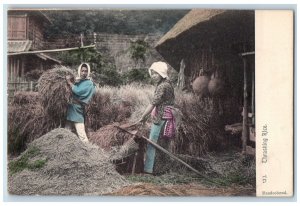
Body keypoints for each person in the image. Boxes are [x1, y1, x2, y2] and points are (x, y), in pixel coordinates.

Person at [136, 61, 176, 175]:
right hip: (167, 117)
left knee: (153, 142)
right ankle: (161, 169)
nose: (153, 76)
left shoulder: (163, 86)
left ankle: (149, 170)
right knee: (163, 143)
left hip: (161, 117)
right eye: (152, 73)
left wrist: (142, 117)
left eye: (156, 73)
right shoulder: (167, 83)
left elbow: (153, 103)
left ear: (161, 73)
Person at [65, 63, 96, 143]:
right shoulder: (79, 81)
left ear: (88, 72)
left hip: (77, 110)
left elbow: (78, 91)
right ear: (80, 71)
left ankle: (89, 150)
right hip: (71, 108)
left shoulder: (89, 83)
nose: (84, 73)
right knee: (66, 131)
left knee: (82, 135)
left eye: (86, 71)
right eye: (82, 71)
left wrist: (69, 82)